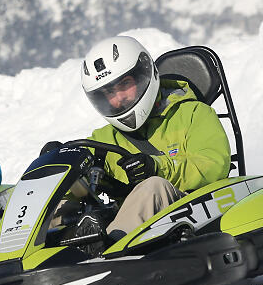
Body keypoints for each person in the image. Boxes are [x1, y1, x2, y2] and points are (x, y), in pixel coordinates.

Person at [76, 36, 231, 242]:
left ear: (145, 74)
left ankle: (106, 256)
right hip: (134, 225)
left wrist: (156, 167)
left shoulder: (194, 113)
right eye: (108, 93)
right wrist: (58, 168)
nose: (118, 98)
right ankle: (32, 260)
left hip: (194, 212)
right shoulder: (103, 139)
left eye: (124, 85)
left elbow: (214, 165)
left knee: (153, 186)